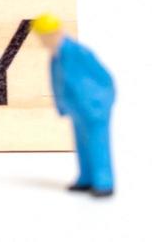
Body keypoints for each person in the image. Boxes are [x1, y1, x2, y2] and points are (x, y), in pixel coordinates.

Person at [33, 13, 115, 197]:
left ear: (57, 32)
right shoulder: (56, 56)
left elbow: (104, 77)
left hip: (93, 108)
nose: (44, 41)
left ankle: (104, 181)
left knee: (97, 143)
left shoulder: (77, 51)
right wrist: (63, 105)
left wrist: (101, 101)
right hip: (76, 108)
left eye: (46, 36)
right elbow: (59, 82)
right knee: (81, 144)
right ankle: (86, 177)